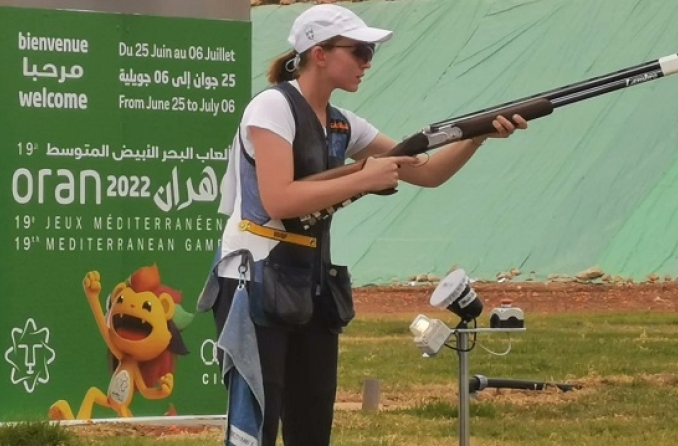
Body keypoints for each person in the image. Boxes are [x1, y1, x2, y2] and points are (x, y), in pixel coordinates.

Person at [203, 4, 528, 446]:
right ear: (319, 53)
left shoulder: (341, 123)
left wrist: (477, 135)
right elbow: (278, 198)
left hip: (309, 284)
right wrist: (362, 178)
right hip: (255, 282)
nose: (368, 62)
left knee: (313, 425)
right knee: (255, 424)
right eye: (359, 51)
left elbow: (426, 172)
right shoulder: (272, 108)